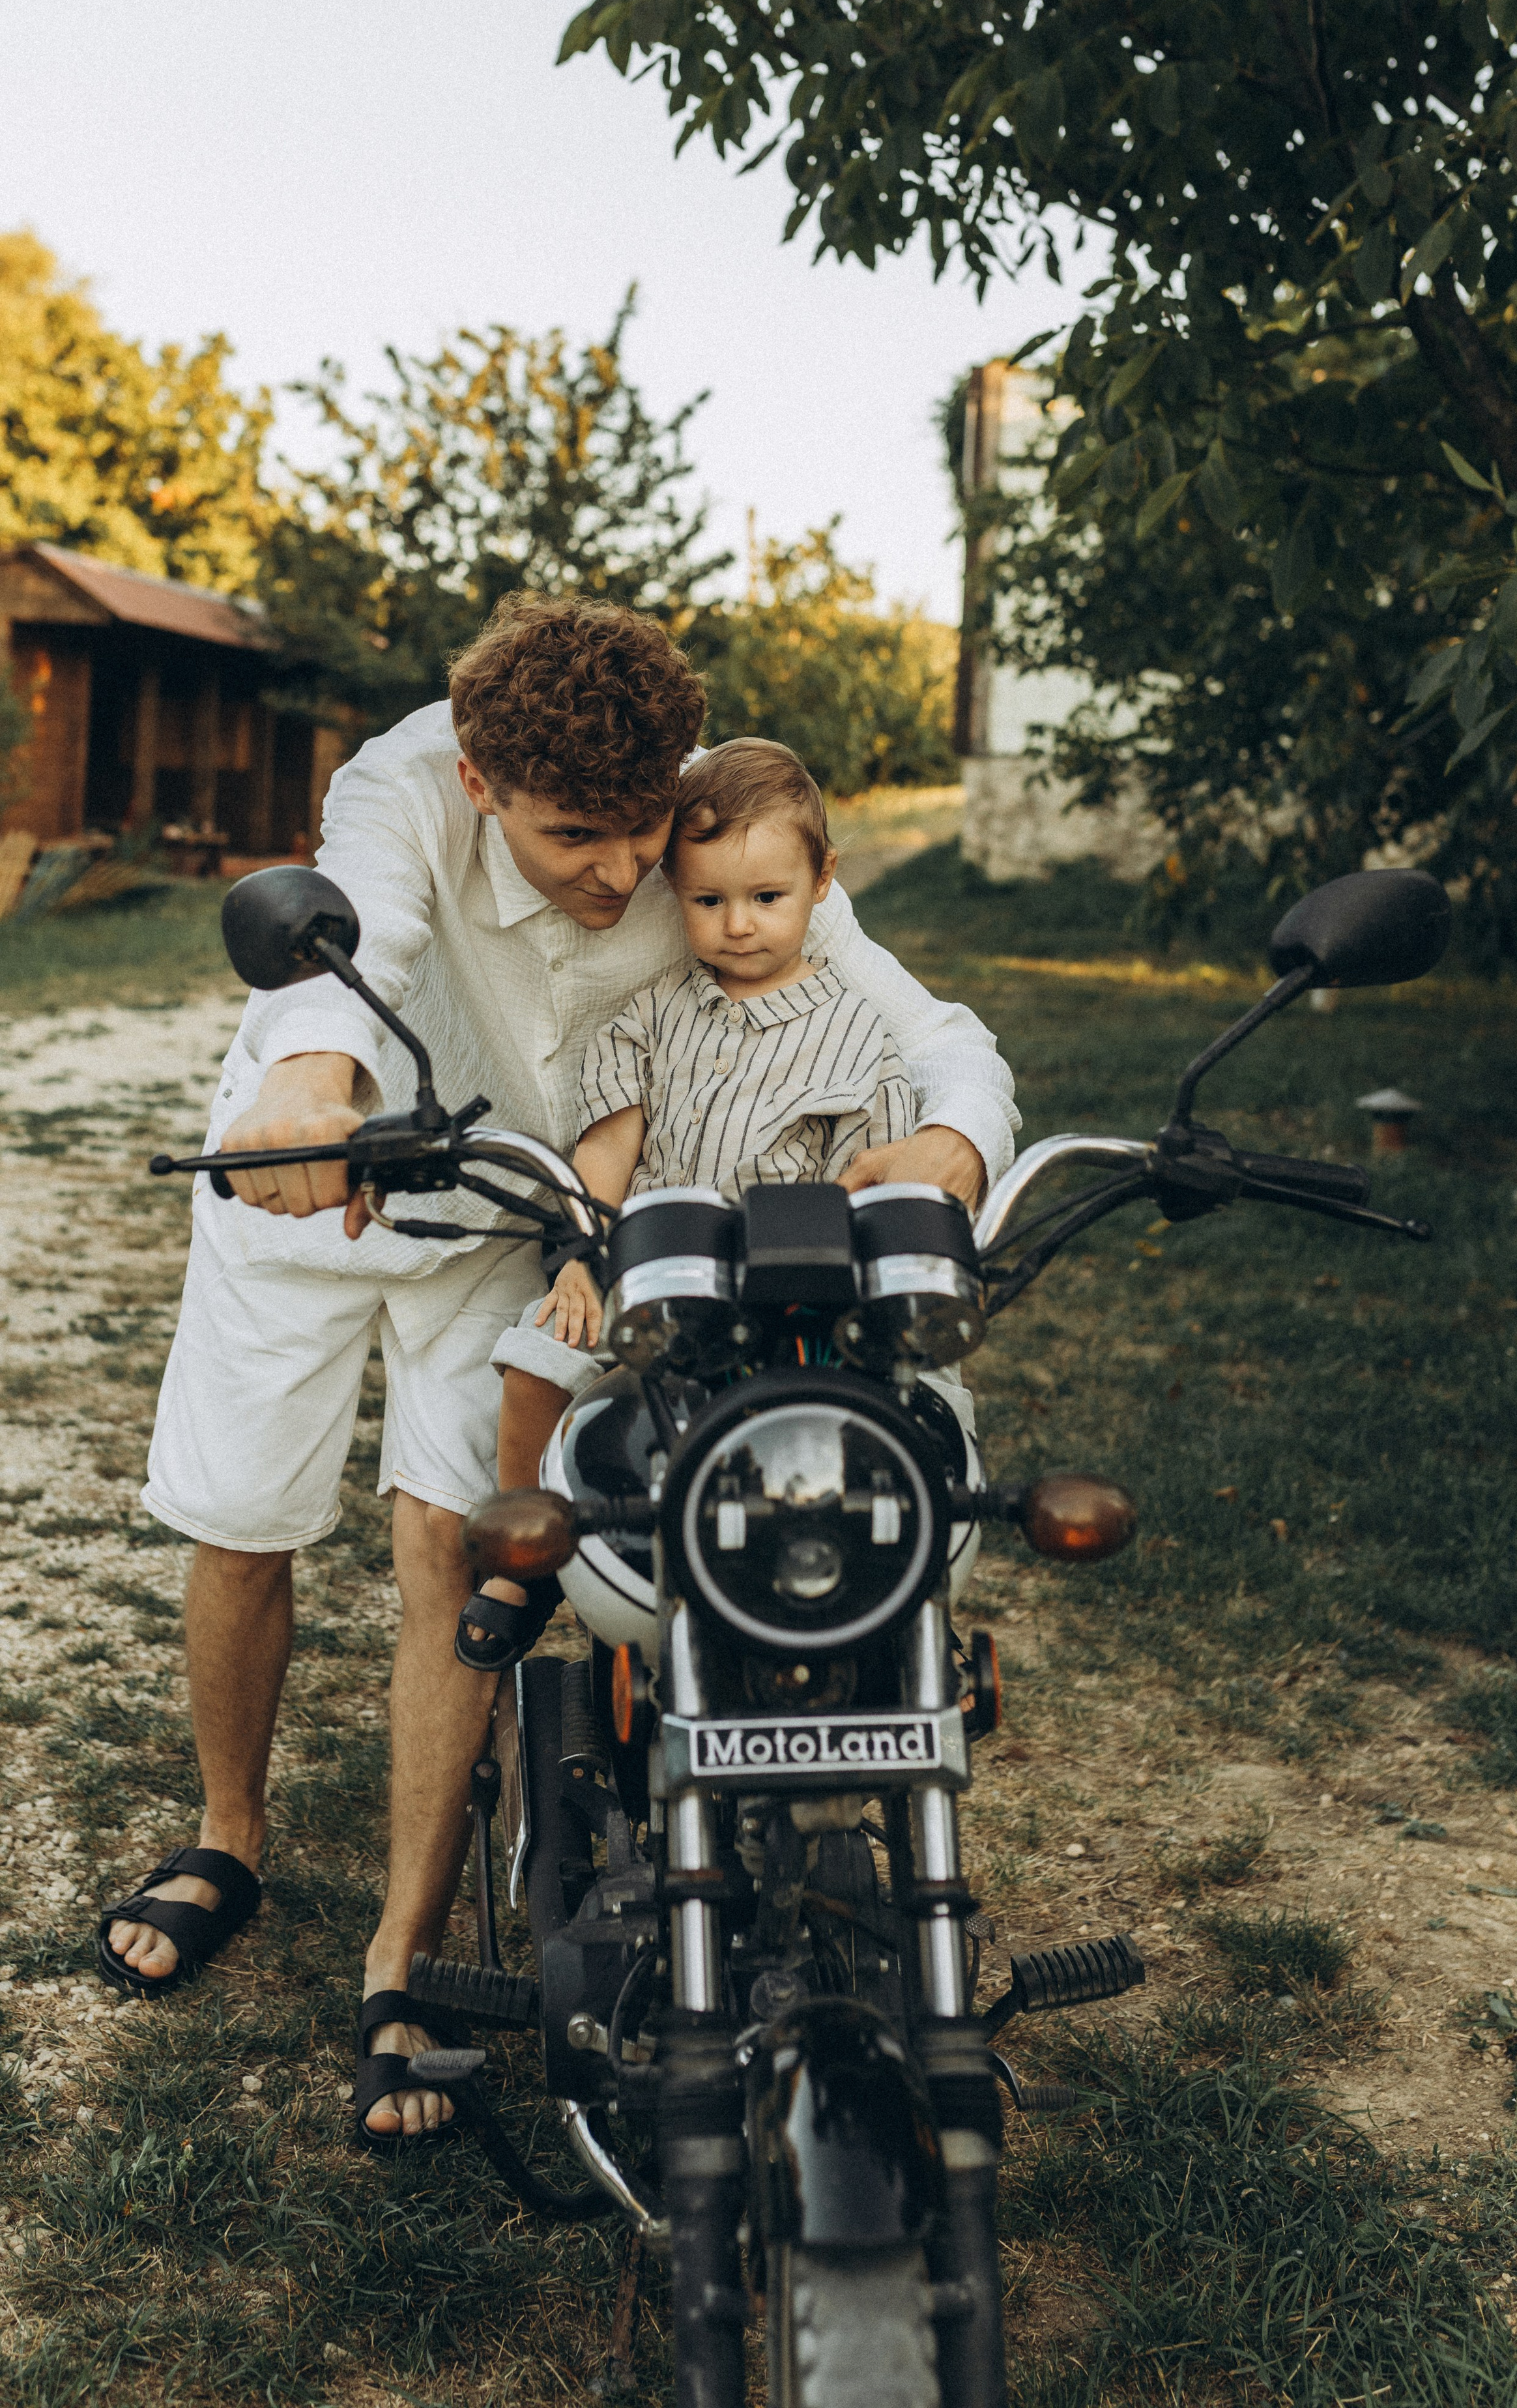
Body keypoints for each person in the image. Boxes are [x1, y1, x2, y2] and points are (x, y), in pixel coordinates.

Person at [98, 593, 1018, 2156]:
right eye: (574, 835)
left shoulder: (705, 820)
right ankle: (228, 1839)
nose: (619, 871)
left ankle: (400, 1957)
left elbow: (921, 1023)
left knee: (452, 1544)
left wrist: (954, 1134)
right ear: (478, 784)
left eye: (638, 826)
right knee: (243, 1522)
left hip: (511, 1223)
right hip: (316, 1175)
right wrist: (311, 1086)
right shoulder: (401, 788)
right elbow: (350, 942)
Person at [457, 738, 932, 1666]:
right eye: (707, 901)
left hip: (789, 1297)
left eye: (766, 899)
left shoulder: (860, 1042)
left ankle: (862, 1600)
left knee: (852, 1424)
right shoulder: (650, 1013)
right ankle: (530, 1553)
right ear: (674, 891)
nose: (738, 925)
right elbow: (607, 1147)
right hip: (650, 1273)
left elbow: (864, 1183)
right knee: (534, 1357)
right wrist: (582, 1261)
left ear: (822, 882)